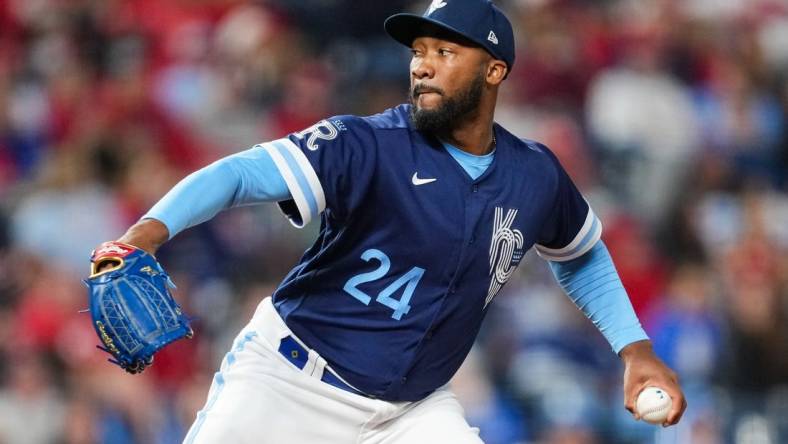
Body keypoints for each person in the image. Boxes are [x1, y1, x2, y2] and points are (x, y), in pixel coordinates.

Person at [102, 0, 686, 442]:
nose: (423, 67)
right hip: (289, 383)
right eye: (419, 52)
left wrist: (633, 348)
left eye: (445, 53)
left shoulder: (533, 174)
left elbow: (580, 252)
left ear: (494, 72)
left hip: (413, 412)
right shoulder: (369, 143)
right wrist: (145, 233)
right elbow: (241, 174)